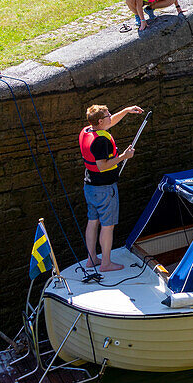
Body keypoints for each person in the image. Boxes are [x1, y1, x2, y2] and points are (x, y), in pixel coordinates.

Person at [79, 104, 142, 272]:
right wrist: (124, 157)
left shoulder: (87, 131)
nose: (111, 116)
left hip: (90, 186)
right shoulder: (101, 141)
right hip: (104, 189)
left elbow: (110, 122)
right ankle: (106, 263)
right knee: (108, 225)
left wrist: (127, 111)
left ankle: (91, 259)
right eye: (108, 115)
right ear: (100, 121)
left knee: (93, 221)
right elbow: (102, 165)